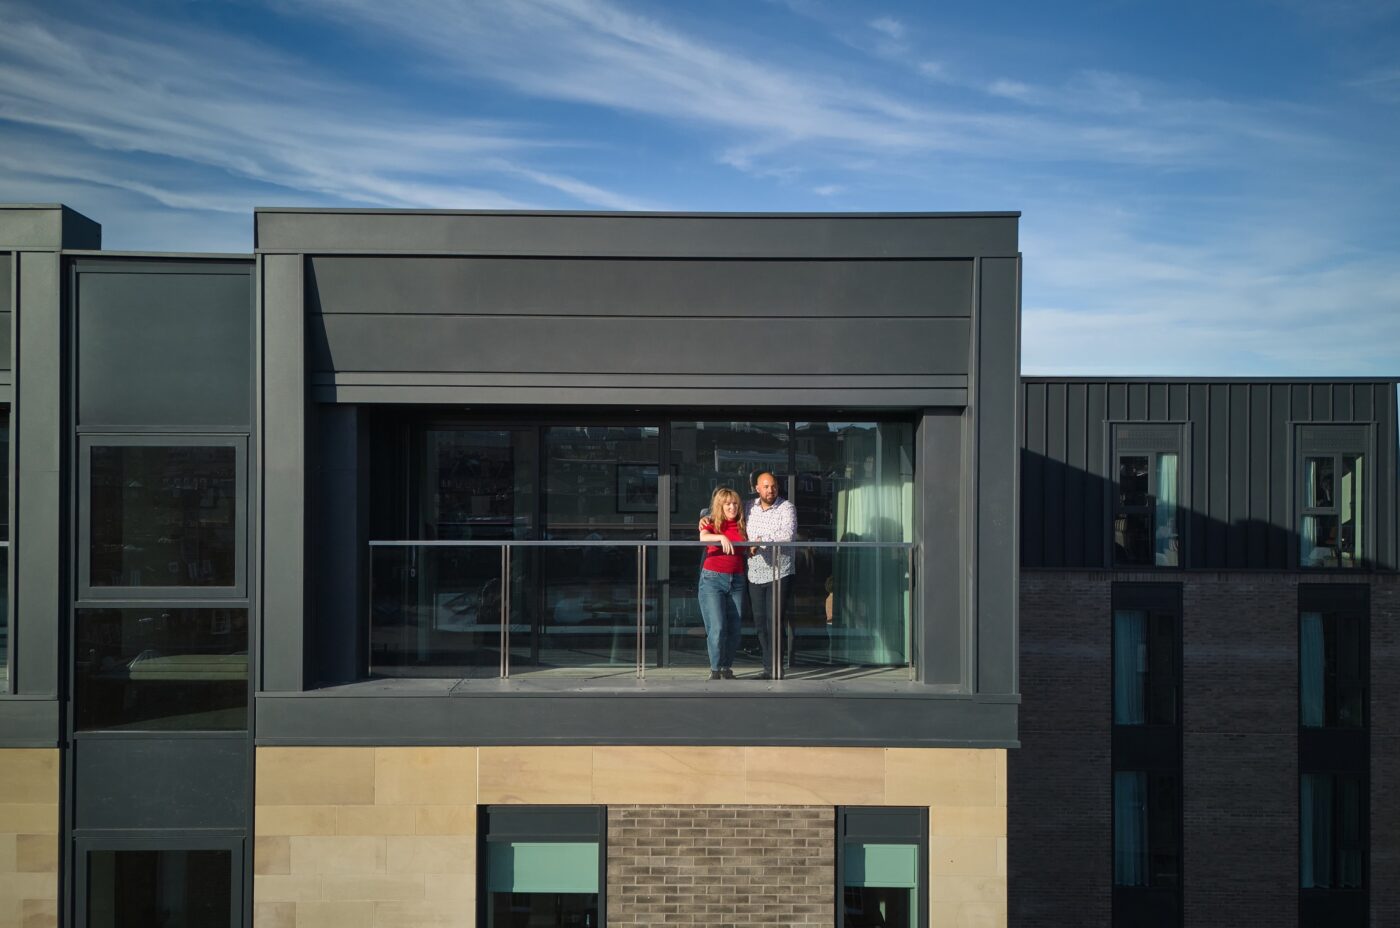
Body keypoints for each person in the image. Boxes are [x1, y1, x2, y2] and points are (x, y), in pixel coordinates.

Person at [701, 472, 797, 679]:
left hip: (779, 572)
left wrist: (759, 541)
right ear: (757, 488)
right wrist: (705, 518)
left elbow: (787, 535)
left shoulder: (786, 507)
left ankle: (776, 669)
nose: (770, 490)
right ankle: (764, 668)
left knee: (774, 621)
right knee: (759, 623)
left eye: (773, 486)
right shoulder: (749, 507)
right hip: (752, 574)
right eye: (765, 486)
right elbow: (722, 508)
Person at [697, 487, 747, 680]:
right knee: (717, 627)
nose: (732, 507)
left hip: (737, 580)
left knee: (734, 627)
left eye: (735, 503)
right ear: (720, 506)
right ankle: (715, 669)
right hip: (712, 579)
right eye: (727, 504)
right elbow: (703, 537)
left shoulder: (743, 524)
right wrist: (721, 536)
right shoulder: (711, 522)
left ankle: (727, 667)